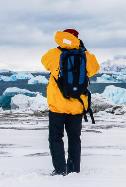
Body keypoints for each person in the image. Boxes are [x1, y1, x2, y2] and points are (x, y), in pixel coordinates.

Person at [41, 29, 100, 175]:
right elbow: (95, 69)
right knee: (74, 138)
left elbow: (44, 62)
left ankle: (60, 170)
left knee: (55, 138)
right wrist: (83, 50)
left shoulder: (53, 53)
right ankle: (74, 169)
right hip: (76, 106)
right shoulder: (85, 55)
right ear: (77, 38)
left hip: (57, 106)